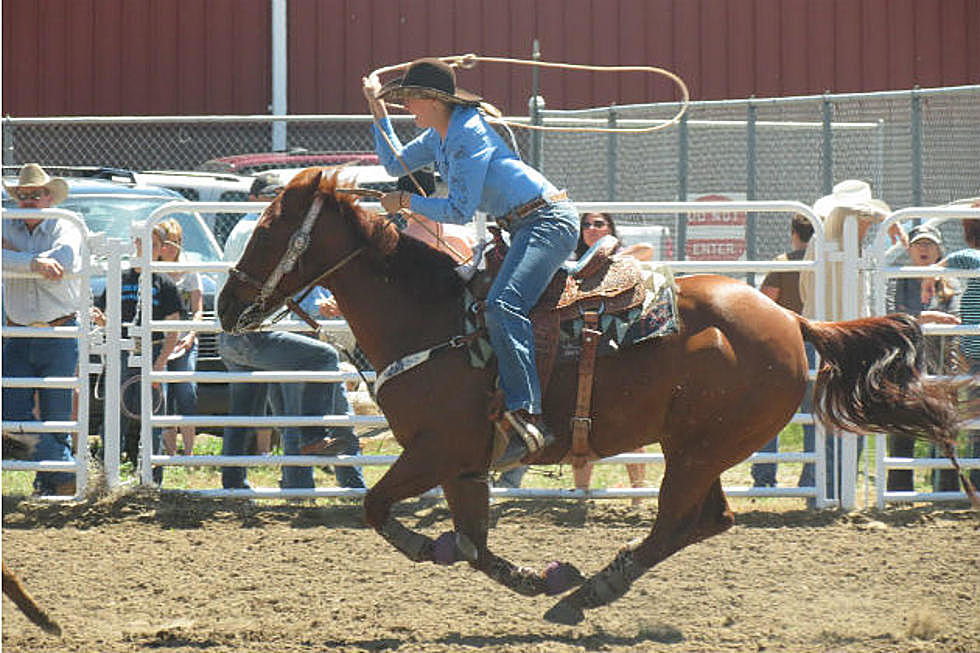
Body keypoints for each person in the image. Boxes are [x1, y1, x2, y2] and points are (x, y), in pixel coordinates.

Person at [363, 57, 580, 468]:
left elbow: (461, 209)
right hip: (527, 224)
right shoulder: (442, 134)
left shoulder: (465, 135)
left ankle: (526, 416)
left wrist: (407, 201)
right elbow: (395, 163)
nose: (405, 106)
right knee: (485, 304)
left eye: (409, 99)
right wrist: (376, 107)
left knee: (502, 305)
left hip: (545, 222)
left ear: (431, 100)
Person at [218, 174, 365, 490]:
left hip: (238, 332)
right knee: (317, 372)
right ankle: (319, 466)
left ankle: (235, 482)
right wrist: (315, 309)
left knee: (245, 410)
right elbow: (275, 279)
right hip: (261, 332)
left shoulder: (242, 229)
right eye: (275, 196)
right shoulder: (266, 230)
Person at [798, 180, 907, 504]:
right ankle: (831, 489)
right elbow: (853, 212)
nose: (868, 225)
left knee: (832, 414)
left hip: (832, 334)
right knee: (839, 413)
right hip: (837, 336)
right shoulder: (834, 236)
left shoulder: (832, 241)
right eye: (867, 220)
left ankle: (829, 489)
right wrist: (889, 220)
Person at [2, 164, 82, 496]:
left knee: (58, 413)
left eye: (36, 194)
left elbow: (63, 260)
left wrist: (16, 257)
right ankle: (66, 474)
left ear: (49, 197)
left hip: (58, 331)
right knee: (12, 412)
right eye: (24, 195)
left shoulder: (66, 225)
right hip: (18, 333)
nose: (29, 200)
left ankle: (50, 483)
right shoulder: (7, 223)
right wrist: (35, 263)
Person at [569, 212, 650, 505]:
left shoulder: (620, 257)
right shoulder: (573, 263)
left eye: (599, 224)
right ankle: (581, 493)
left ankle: (639, 493)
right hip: (584, 348)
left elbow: (646, 249)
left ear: (611, 229)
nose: (592, 229)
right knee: (581, 420)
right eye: (587, 225)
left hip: (621, 350)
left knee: (631, 422)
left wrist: (605, 258)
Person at [91, 222, 181, 485]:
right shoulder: (120, 279)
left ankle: (151, 480)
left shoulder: (163, 282)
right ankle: (107, 478)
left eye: (151, 244)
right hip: (121, 351)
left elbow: (172, 328)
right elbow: (108, 318)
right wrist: (101, 320)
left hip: (151, 352)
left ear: (161, 249)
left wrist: (161, 363)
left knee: (150, 417)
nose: (143, 248)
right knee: (114, 414)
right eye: (140, 242)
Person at [887, 223, 961, 491]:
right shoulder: (897, 279)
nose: (925, 249)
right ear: (910, 250)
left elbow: (955, 321)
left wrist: (919, 319)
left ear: (939, 249)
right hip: (905, 367)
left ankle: (946, 491)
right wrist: (928, 318)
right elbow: (892, 319)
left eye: (930, 244)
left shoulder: (949, 284)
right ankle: (899, 493)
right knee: (901, 430)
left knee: (944, 430)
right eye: (919, 244)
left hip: (940, 365)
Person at [751, 214, 815, 488]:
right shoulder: (822, 264)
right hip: (814, 340)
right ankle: (811, 477)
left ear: (793, 233)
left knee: (769, 410)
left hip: (784, 343)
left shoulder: (783, 263)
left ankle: (764, 477)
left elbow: (765, 301)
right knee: (812, 414)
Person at [927, 207, 980, 489]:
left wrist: (931, 277)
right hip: (972, 355)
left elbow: (952, 261)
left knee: (975, 425)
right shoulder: (973, 262)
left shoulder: (972, 259)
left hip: (973, 356)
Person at [158, 218, 203, 456]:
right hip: (162, 341)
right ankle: (170, 452)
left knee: (187, 392)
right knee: (163, 394)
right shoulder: (153, 270)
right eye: (166, 242)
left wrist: (191, 336)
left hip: (185, 341)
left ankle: (189, 452)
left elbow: (198, 309)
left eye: (175, 242)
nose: (170, 248)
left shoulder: (190, 270)